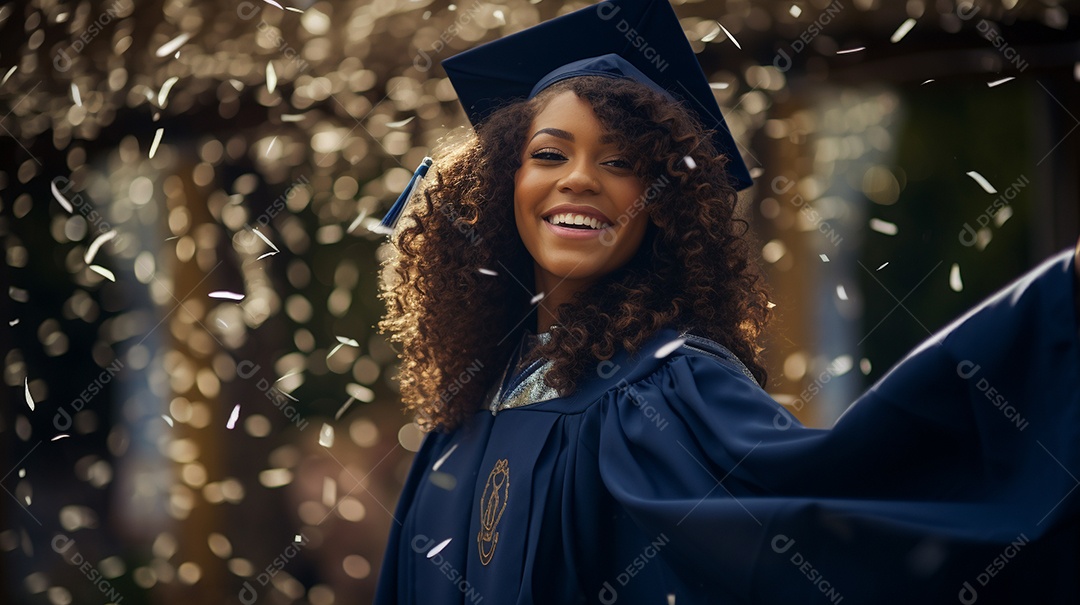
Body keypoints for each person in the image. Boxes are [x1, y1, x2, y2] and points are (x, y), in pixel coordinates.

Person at [373, 0, 1080, 603]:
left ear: (662, 206)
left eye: (621, 162)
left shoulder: (666, 391)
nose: (580, 180)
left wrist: (1058, 305)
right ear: (504, 184)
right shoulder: (459, 422)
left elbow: (821, 508)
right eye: (550, 154)